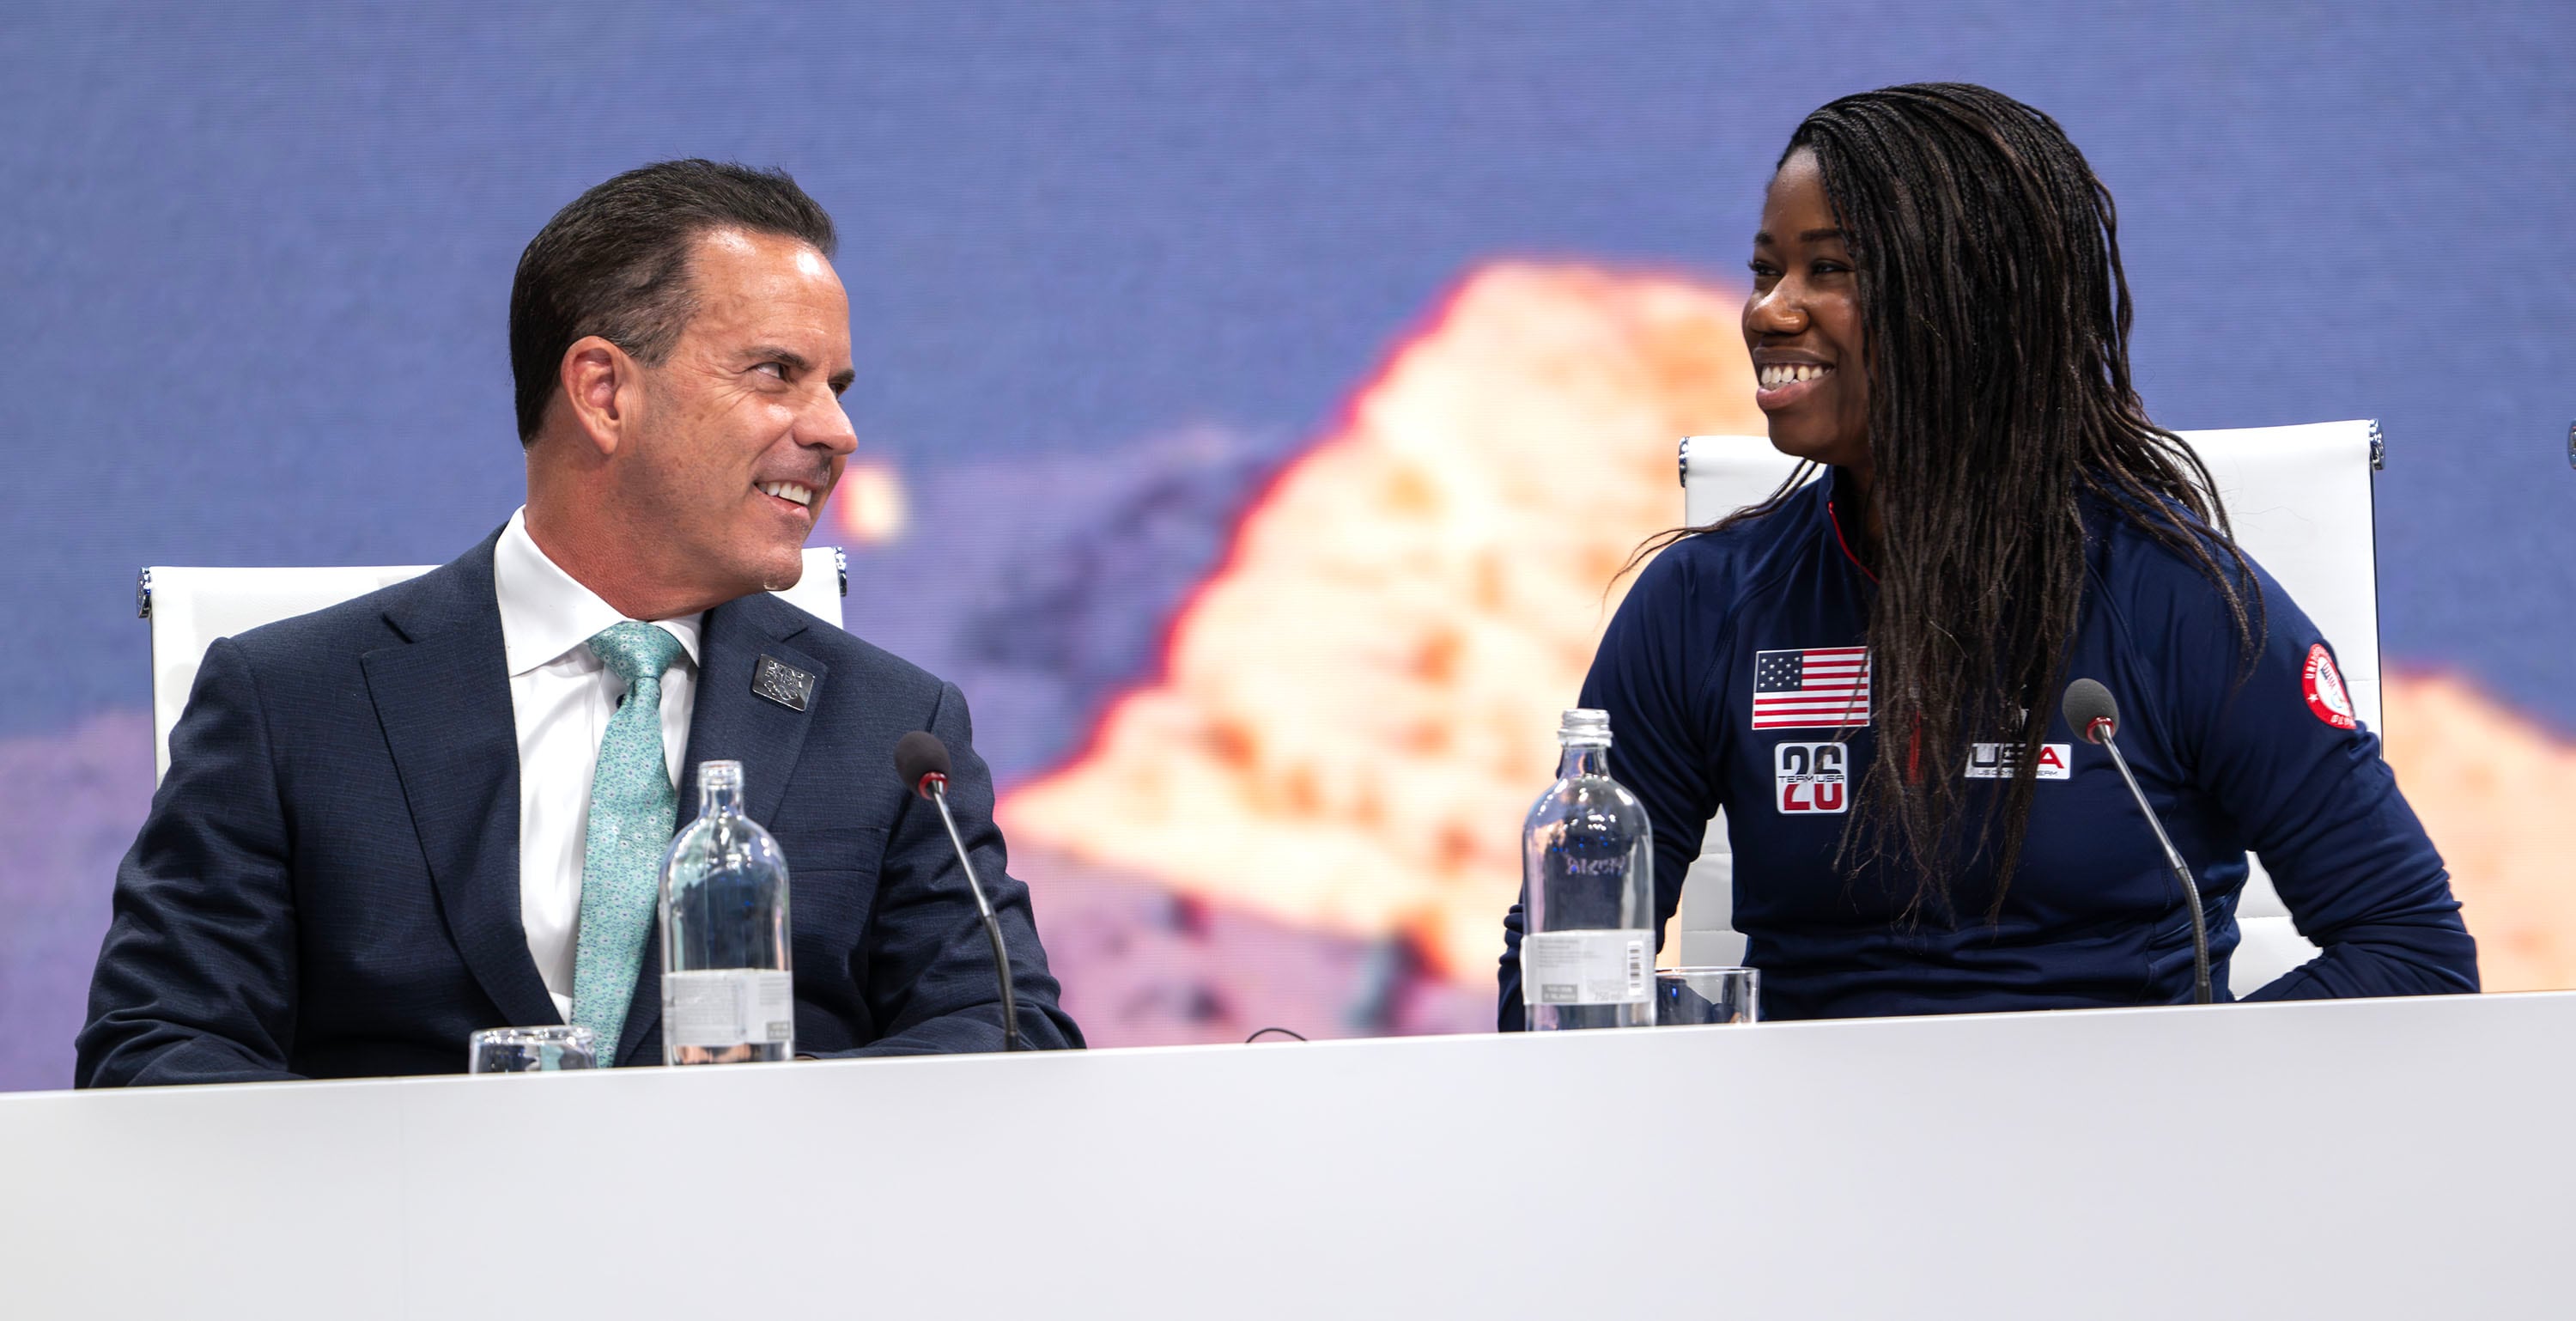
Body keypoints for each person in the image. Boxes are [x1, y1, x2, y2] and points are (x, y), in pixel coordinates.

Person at [79, 161, 1081, 1085]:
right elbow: (156, 1046)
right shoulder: (294, 703)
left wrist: (766, 1121)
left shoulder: (893, 731)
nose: (836, 431)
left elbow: (1009, 1033)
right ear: (604, 392)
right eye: (777, 373)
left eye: (836, 386)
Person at [1498, 84, 2476, 1025]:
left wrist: (2182, 1096)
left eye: (1830, 269)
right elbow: (1551, 986)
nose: (1768, 311)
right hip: (1804, 1135)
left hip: (2124, 1134)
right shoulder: (1699, 604)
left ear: (1970, 305)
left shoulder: (2184, 605)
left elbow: (2410, 951)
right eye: (1766, 271)